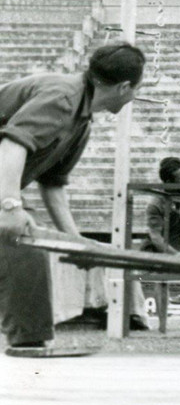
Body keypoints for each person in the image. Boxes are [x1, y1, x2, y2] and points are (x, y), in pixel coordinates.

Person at [0, 41, 146, 355]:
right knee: (21, 240)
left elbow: (52, 185)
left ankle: (29, 342)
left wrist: (75, 241)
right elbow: (12, 146)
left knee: (25, 243)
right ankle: (28, 340)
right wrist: (10, 205)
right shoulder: (62, 97)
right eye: (136, 89)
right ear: (123, 87)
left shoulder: (81, 121)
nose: (134, 96)